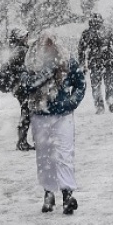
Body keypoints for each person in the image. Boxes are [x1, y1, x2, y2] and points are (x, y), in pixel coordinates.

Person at [20, 32, 86, 214]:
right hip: (40, 114)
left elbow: (80, 83)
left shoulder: (66, 61)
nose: (47, 48)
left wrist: (72, 102)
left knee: (65, 152)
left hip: (63, 114)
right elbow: (25, 85)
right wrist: (45, 74)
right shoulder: (32, 63)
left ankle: (67, 193)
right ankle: (48, 192)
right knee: (44, 156)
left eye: (50, 44)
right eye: (44, 45)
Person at [77, 13, 113, 114]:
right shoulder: (105, 31)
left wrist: (82, 64)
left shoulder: (88, 33)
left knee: (98, 85)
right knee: (106, 84)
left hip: (98, 62)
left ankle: (102, 104)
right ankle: (107, 102)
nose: (96, 24)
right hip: (104, 61)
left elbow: (81, 50)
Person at [0, 27, 35, 151]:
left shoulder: (17, 49)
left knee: (26, 111)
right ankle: (22, 141)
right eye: (25, 36)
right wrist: (25, 70)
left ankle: (22, 140)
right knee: (26, 112)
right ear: (20, 38)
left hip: (18, 86)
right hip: (21, 86)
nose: (27, 38)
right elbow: (16, 67)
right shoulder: (21, 50)